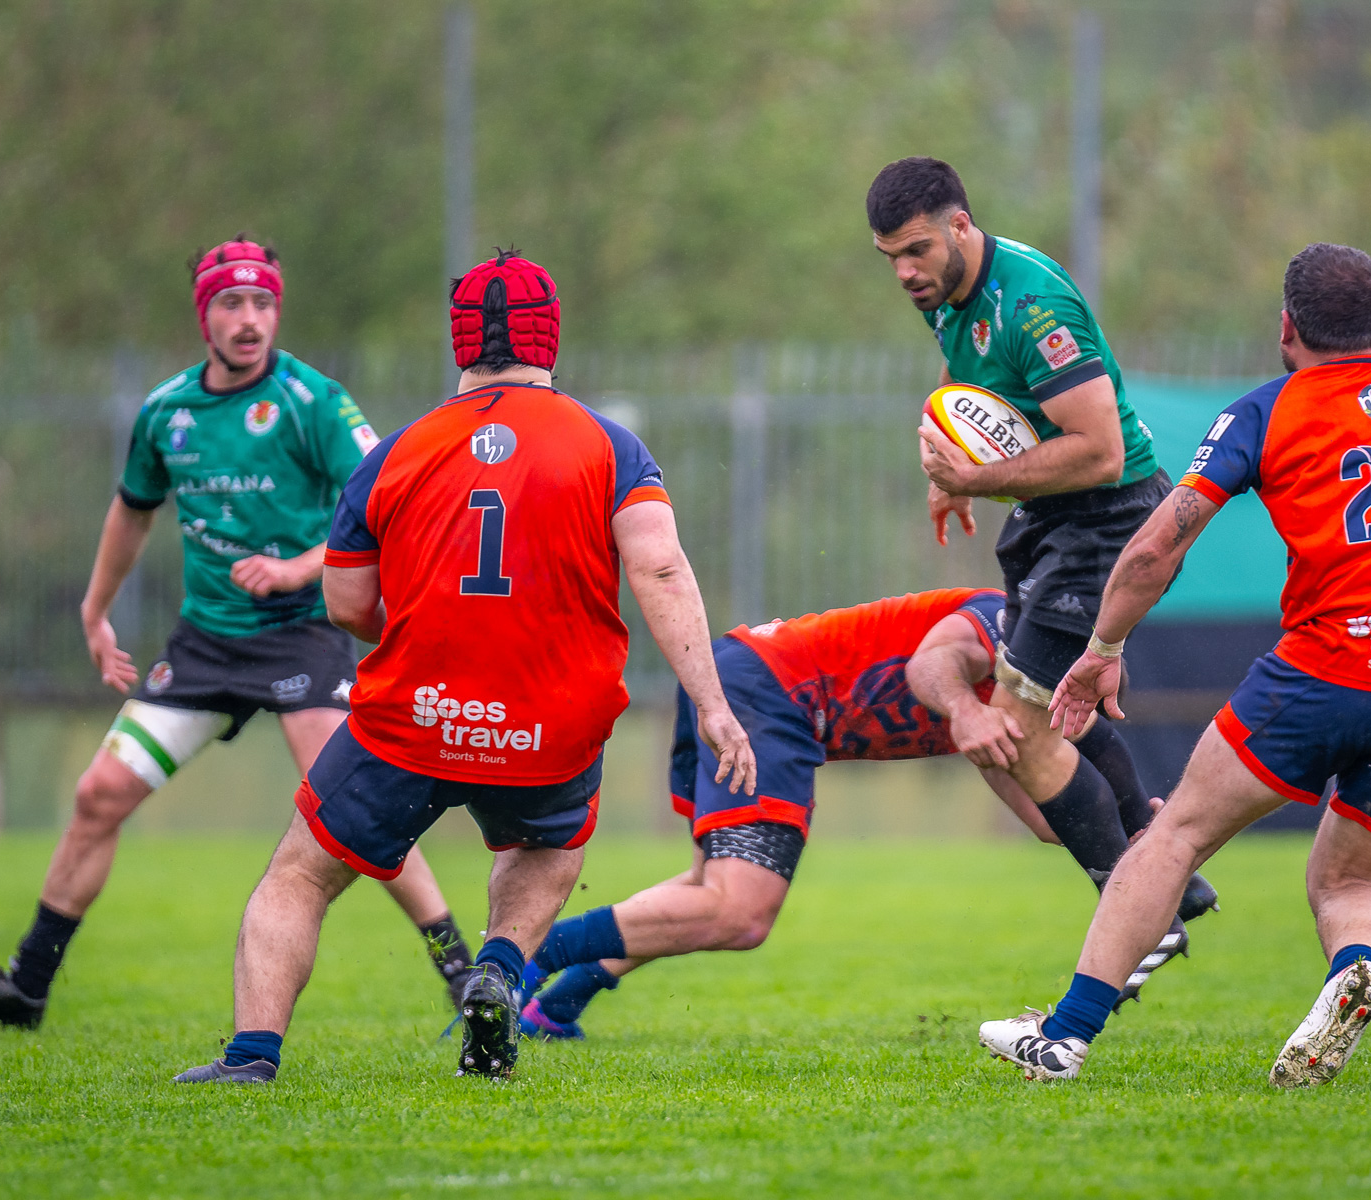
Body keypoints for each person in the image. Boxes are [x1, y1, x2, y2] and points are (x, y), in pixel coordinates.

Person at [978, 243, 1371, 1086]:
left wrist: (1101, 649)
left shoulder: (1267, 411)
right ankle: (1351, 969)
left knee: (1174, 836)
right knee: (1348, 881)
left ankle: (1064, 1038)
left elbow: (1156, 548)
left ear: (1287, 327)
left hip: (1326, 674)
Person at [172, 250, 755, 1084]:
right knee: (545, 851)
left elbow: (343, 604)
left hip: (412, 716)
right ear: (549, 335)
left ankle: (251, 1057)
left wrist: (422, 633)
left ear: (460, 343)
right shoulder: (611, 448)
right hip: (549, 722)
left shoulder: (396, 453)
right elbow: (659, 569)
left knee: (300, 874)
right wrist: (710, 700)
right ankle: (501, 971)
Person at [0, 237, 477, 1030]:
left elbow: (385, 506)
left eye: (263, 304)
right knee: (99, 794)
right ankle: (27, 985)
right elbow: (131, 510)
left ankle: (458, 969)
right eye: (231, 303)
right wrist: (94, 607)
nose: (249, 320)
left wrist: (297, 570)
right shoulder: (167, 412)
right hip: (207, 644)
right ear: (204, 315)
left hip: (301, 634)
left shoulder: (313, 402)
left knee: (351, 810)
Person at [517, 588, 1213, 1041]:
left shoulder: (1017, 710)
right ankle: (520, 958)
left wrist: (1145, 853)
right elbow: (930, 666)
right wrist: (966, 709)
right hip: (768, 690)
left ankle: (556, 1003)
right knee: (740, 912)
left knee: (707, 896)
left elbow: (1044, 816)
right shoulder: (1004, 621)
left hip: (755, 680)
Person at [865, 156, 1214, 932]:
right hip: (1053, 517)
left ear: (961, 224)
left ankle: (1135, 907)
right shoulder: (944, 296)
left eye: (917, 249)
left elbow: (1101, 452)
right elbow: (983, 403)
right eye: (891, 258)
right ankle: (1168, 879)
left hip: (1110, 515)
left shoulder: (1031, 305)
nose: (905, 273)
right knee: (1051, 710)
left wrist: (980, 479)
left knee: (1018, 729)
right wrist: (954, 477)